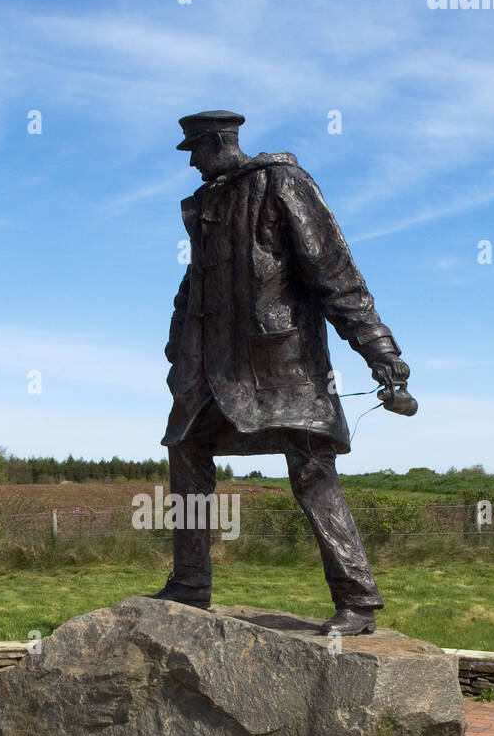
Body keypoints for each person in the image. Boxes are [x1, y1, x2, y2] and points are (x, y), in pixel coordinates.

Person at [153, 110, 413, 635]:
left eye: (199, 151)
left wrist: (380, 352)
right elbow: (194, 282)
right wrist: (177, 341)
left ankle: (358, 600)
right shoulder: (209, 202)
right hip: (212, 369)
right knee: (186, 449)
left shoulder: (279, 183)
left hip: (283, 365)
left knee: (312, 470)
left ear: (223, 142)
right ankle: (189, 584)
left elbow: (335, 273)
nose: (195, 163)